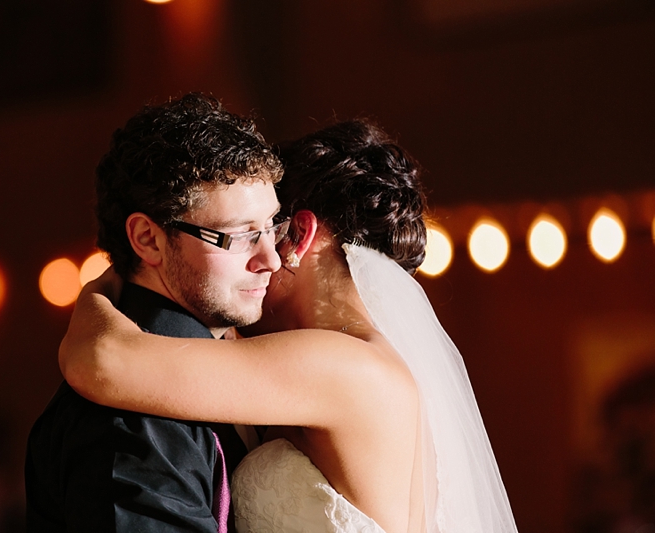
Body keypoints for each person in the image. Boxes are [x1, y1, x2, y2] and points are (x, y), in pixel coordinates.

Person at [59, 120, 519, 532]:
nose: (260, 258)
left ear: (298, 235)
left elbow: (102, 359)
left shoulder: (339, 365)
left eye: (265, 230)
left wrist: (103, 286)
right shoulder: (350, 361)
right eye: (243, 234)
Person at [24, 93, 287, 532]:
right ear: (148, 239)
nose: (271, 259)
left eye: (272, 227)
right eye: (239, 236)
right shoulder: (131, 417)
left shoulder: (232, 361)